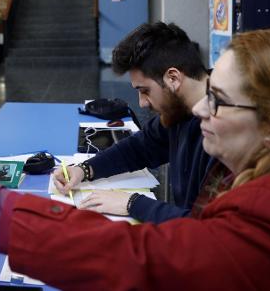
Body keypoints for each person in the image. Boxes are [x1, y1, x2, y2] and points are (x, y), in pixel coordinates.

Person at [0, 29, 270, 290]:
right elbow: (141, 148)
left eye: (219, 99)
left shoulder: (254, 219)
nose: (200, 108)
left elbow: (140, 254)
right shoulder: (199, 134)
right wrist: (86, 168)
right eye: (208, 94)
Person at [54, 22, 215, 223]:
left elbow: (209, 228)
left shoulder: (224, 131)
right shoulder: (181, 109)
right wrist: (84, 169)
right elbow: (141, 146)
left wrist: (132, 203)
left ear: (173, 78)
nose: (142, 103)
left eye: (145, 90)